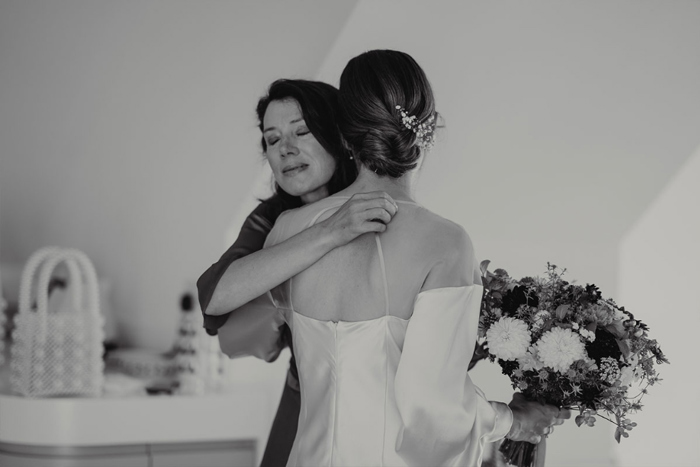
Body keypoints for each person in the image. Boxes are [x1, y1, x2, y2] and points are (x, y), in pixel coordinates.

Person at [252, 50, 569, 466]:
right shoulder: (445, 242)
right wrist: (513, 421)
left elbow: (250, 327)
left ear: (345, 137)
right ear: (429, 127)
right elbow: (432, 409)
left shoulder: (288, 230)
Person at [197, 79, 398, 467]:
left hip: (378, 407)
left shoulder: (379, 203)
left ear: (339, 135)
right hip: (302, 399)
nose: (286, 149)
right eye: (272, 140)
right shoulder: (272, 219)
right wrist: (329, 231)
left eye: (301, 131)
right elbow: (215, 295)